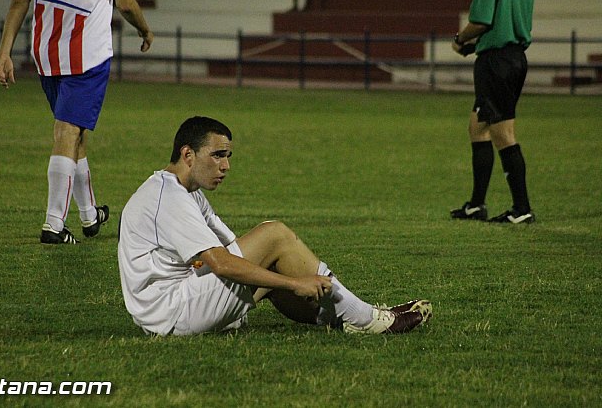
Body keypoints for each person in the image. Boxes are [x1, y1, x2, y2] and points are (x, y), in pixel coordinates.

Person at [118, 116, 432, 336]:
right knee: (275, 234)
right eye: (217, 156)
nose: (226, 165)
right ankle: (367, 318)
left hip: (177, 304)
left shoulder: (185, 191)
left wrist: (283, 272)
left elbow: (232, 249)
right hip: (172, 314)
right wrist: (295, 283)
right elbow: (221, 263)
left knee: (270, 255)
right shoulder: (167, 196)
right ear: (188, 154)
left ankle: (346, 318)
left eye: (228, 156)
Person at [0, 0, 154, 244]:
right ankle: (54, 224)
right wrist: (145, 30)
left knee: (74, 132)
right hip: (86, 57)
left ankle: (89, 214)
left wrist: (4, 53)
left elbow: (19, 1)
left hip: (47, 56)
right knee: (68, 131)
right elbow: (125, 3)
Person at [450, 0, 535, 224]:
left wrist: (459, 39)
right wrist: (475, 47)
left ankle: (522, 208)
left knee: (502, 132)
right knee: (477, 127)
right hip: (514, 57)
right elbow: (505, 24)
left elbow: (481, 22)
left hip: (496, 63)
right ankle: (476, 206)